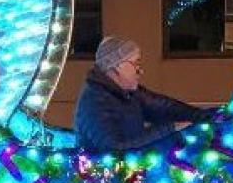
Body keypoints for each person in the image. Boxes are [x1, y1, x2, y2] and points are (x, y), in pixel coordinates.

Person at [74, 36, 212, 150]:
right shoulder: (93, 102)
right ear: (117, 66)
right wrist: (170, 128)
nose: (140, 71)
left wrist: (205, 116)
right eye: (136, 64)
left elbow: (163, 107)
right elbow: (115, 147)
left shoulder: (128, 93)